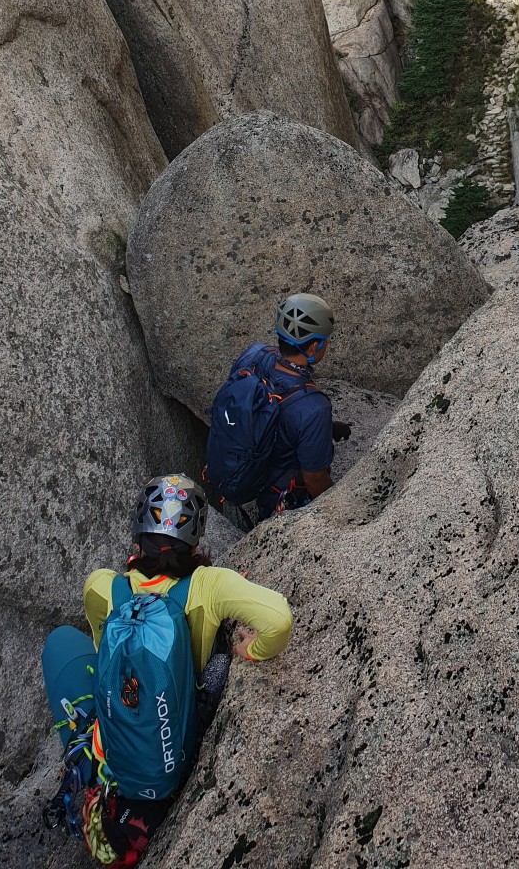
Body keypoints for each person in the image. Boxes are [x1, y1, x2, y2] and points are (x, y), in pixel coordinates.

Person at [42, 473, 292, 864]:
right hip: (178, 730)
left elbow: (100, 648)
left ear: (136, 535)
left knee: (59, 643)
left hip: (125, 738)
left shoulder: (102, 587)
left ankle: (93, 770)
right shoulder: (210, 585)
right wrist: (250, 650)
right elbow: (278, 621)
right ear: (195, 539)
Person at [226, 292, 350, 521]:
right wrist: (339, 513)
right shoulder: (314, 407)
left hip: (243, 466)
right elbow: (314, 478)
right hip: (279, 496)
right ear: (313, 347)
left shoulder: (253, 355)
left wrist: (324, 428)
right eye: (325, 341)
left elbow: (265, 407)